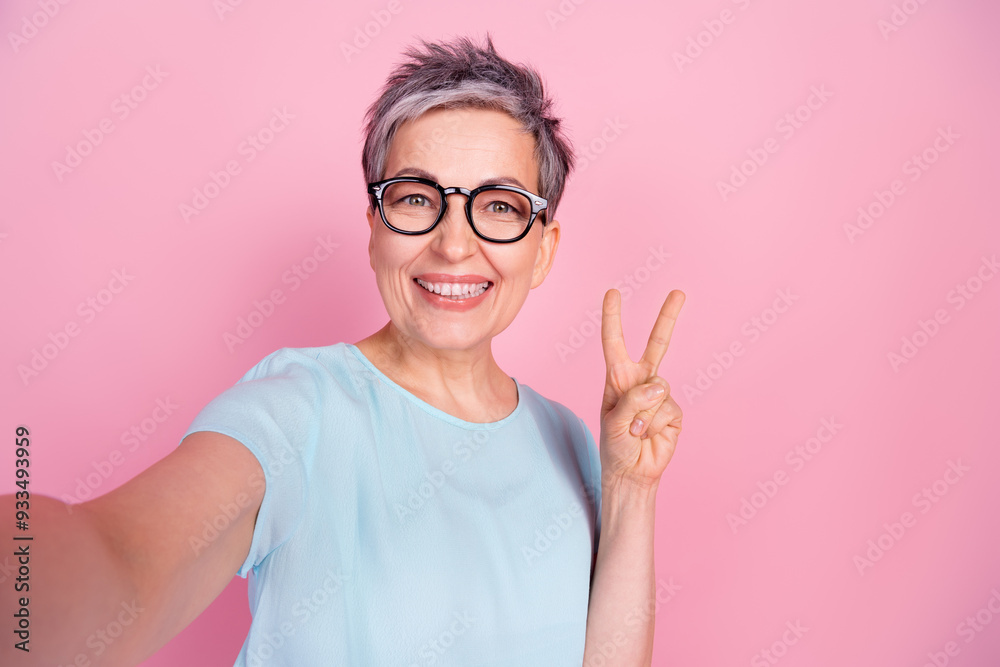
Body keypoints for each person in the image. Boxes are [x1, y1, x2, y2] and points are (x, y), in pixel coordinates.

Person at [2, 34, 684, 666]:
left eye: (499, 206)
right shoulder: (299, 409)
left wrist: (630, 490)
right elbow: (121, 559)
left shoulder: (566, 437)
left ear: (543, 251)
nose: (452, 242)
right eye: (417, 198)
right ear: (374, 229)